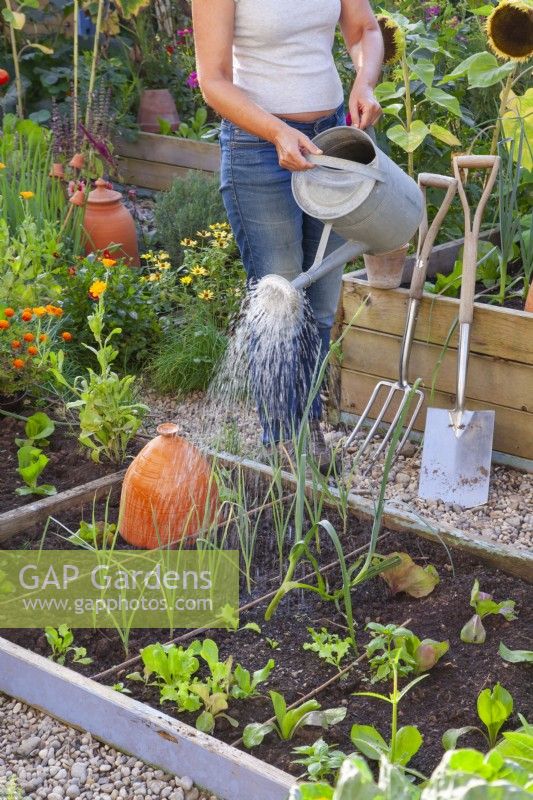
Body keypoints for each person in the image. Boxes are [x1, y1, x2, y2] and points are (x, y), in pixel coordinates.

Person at [192, 0, 383, 465]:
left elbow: (364, 30)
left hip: (332, 143)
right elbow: (213, 80)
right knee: (280, 299)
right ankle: (283, 438)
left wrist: (365, 82)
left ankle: (308, 432)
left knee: (320, 302)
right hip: (258, 148)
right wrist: (277, 132)